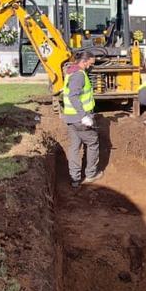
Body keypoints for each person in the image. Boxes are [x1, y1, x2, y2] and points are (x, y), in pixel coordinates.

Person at [62, 51, 103, 188]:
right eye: (90, 64)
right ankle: (91, 174)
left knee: (74, 146)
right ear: (84, 61)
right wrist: (84, 115)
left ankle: (75, 179)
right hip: (79, 118)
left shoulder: (70, 71)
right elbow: (73, 96)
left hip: (70, 117)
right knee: (93, 143)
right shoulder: (79, 75)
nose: (90, 67)